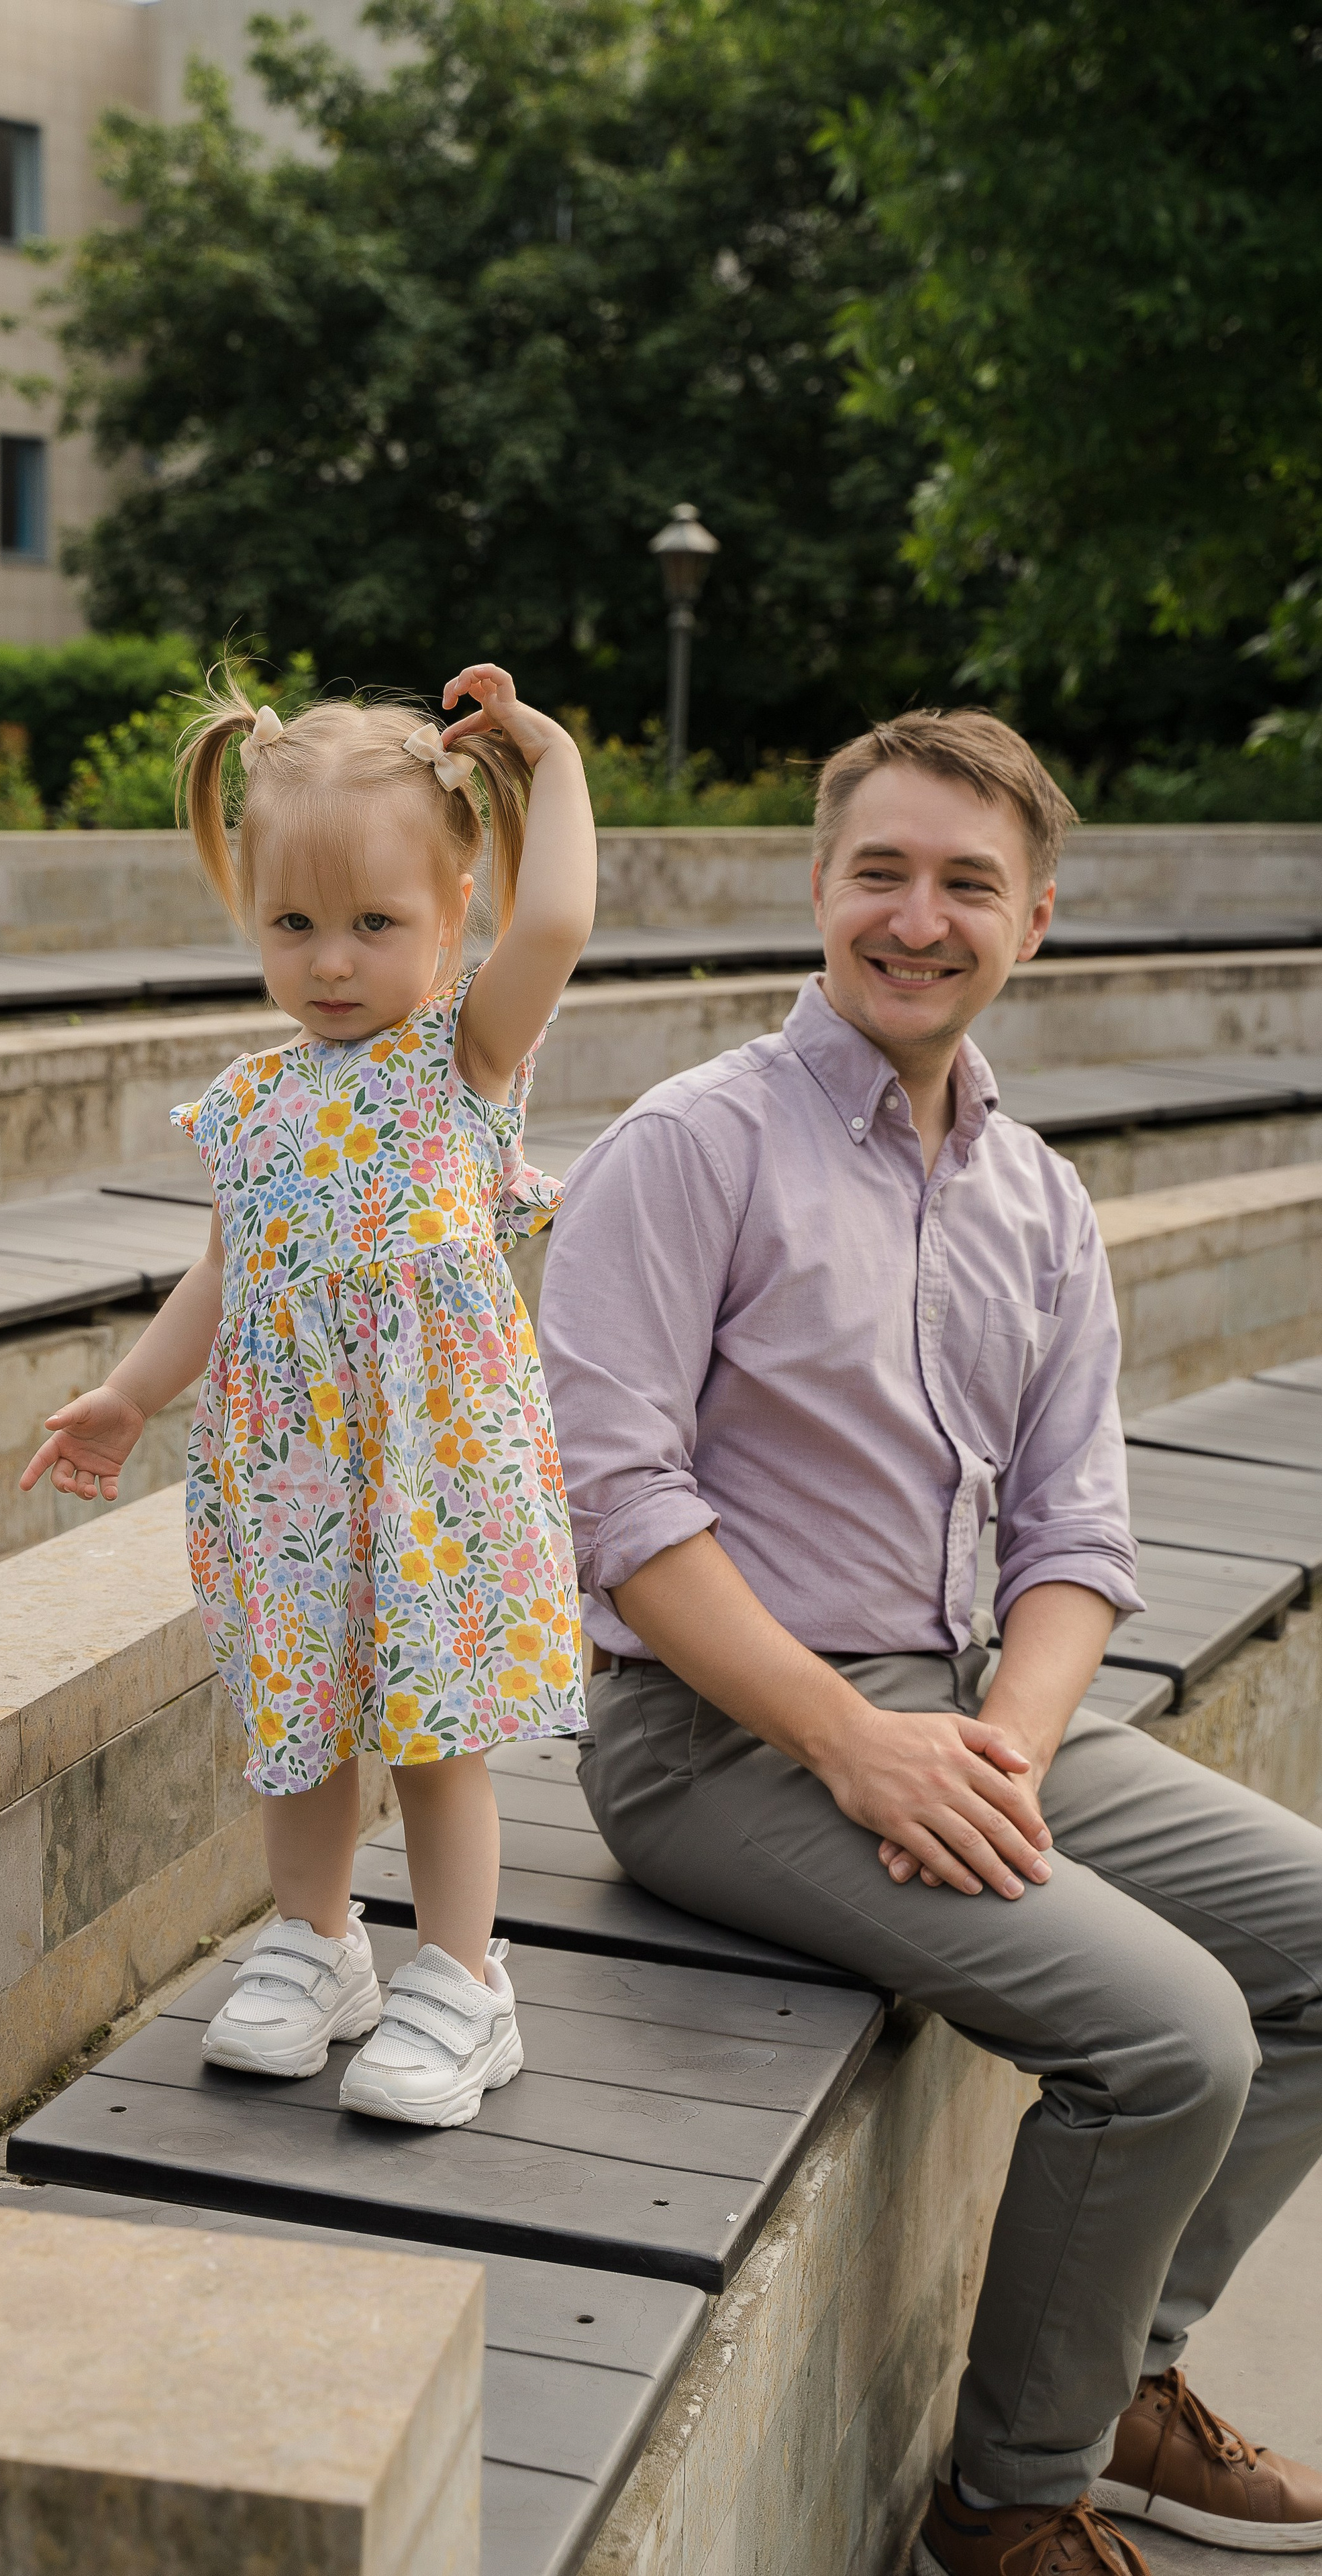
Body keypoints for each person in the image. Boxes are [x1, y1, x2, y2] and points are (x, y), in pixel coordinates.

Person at [537, 709, 1322, 2571]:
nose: (918, 915)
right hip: (719, 1741)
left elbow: (1076, 1534)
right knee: (1178, 2036)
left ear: (1033, 922)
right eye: (880, 871)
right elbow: (616, 1504)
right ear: (819, 890)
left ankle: (1124, 2384)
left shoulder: (1038, 1200)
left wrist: (1007, 1752)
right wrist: (848, 1740)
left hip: (974, 1707)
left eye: (967, 883)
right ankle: (1007, 2506)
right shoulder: (691, 1147)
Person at [21, 663, 595, 2127]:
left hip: (425, 1462)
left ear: (453, 909)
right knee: (300, 1716)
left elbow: (563, 918)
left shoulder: (460, 1055)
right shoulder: (253, 1098)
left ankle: (463, 1981)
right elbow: (227, 1274)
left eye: (374, 923)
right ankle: (315, 1942)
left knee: (432, 1730)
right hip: (286, 1469)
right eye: (293, 924)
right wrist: (129, 1396)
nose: (331, 960)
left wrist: (555, 763)